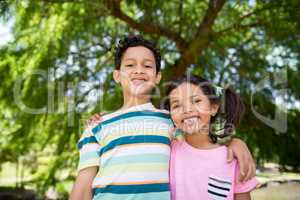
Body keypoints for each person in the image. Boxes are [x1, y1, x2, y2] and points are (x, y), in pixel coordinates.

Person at [69, 35, 256, 200]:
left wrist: (235, 142)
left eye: (147, 65)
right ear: (117, 75)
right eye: (130, 65)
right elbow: (82, 190)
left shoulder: (171, 120)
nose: (139, 70)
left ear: (157, 76)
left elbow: (200, 141)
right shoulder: (97, 127)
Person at [165, 75, 258, 200]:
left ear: (213, 108)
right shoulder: (168, 150)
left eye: (196, 101)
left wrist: (237, 142)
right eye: (176, 105)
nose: (187, 110)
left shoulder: (233, 159)